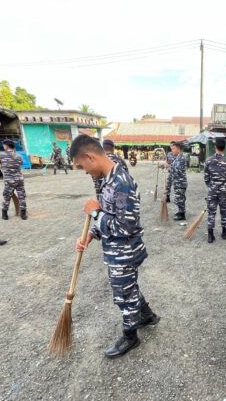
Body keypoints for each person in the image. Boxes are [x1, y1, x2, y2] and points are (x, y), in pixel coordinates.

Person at [71, 134, 160, 358]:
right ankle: (147, 315)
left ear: (90, 157)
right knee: (129, 287)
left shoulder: (121, 183)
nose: (84, 171)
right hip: (117, 250)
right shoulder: (108, 180)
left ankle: (130, 336)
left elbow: (124, 227)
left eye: (82, 165)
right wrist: (91, 233)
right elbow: (110, 214)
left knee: (123, 293)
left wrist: (94, 212)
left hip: (124, 252)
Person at [204, 138, 226, 243]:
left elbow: (206, 178)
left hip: (212, 190)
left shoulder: (208, 160)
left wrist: (212, 185)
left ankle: (210, 235)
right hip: (223, 190)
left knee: (211, 212)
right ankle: (224, 233)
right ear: (224, 147)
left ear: (215, 147)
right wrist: (223, 183)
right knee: (224, 211)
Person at [0, 139, 28, 220]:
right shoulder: (19, 156)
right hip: (19, 179)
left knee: (7, 197)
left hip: (8, 180)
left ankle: (4, 215)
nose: (3, 147)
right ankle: (23, 215)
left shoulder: (1, 155)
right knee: (22, 197)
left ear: (6, 146)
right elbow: (20, 164)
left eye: (4, 145)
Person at [160, 142, 187, 220]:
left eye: (173, 149)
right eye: (171, 149)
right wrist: (162, 165)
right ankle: (180, 211)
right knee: (178, 198)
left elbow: (178, 170)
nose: (172, 150)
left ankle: (182, 214)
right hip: (176, 181)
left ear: (178, 149)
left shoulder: (182, 158)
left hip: (181, 182)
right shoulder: (176, 157)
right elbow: (170, 164)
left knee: (180, 198)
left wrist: (168, 166)